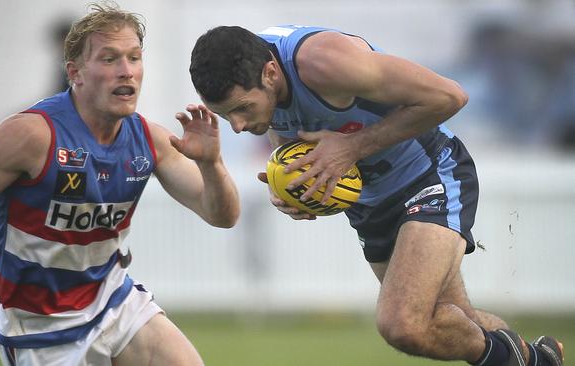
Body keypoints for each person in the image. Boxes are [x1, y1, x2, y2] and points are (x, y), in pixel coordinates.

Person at [189, 25, 564, 366]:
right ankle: (535, 360)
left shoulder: (324, 62)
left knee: (402, 324)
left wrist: (352, 148)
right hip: (371, 201)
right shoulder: (251, 67)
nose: (237, 127)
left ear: (271, 73)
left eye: (241, 110)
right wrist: (299, 187)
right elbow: (295, 130)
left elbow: (450, 96)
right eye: (225, 116)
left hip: (429, 172)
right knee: (450, 316)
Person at [0, 4, 239, 366]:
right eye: (109, 59)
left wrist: (211, 164)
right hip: (41, 329)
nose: (126, 71)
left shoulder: (149, 140)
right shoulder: (31, 135)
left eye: (134, 57)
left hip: (114, 303)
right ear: (75, 72)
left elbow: (222, 216)